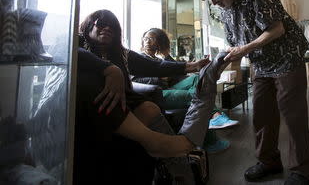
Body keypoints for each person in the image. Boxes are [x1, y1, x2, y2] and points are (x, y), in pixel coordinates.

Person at [75, 9, 215, 184]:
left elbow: (156, 66)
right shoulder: (76, 43)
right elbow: (68, 50)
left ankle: (181, 169)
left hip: (122, 108)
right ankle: (161, 146)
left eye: (113, 26)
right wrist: (108, 68)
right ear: (88, 25)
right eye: (101, 24)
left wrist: (191, 66)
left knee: (149, 108)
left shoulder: (121, 53)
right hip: (88, 113)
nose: (107, 28)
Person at [203, 0, 309, 185]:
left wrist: (246, 48)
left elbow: (277, 29)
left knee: (294, 117)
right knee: (262, 114)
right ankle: (269, 161)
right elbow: (235, 45)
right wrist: (213, 68)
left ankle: (302, 171)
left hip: (287, 57)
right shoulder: (225, 11)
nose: (212, 0)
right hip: (262, 65)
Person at [132, 28, 239, 152]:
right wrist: (158, 78)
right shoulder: (139, 58)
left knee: (196, 80)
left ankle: (215, 117)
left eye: (152, 39)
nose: (148, 42)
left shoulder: (159, 59)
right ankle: (212, 132)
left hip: (167, 88)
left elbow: (177, 74)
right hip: (155, 94)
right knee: (195, 95)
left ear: (159, 43)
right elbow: (136, 81)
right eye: (145, 38)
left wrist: (166, 54)